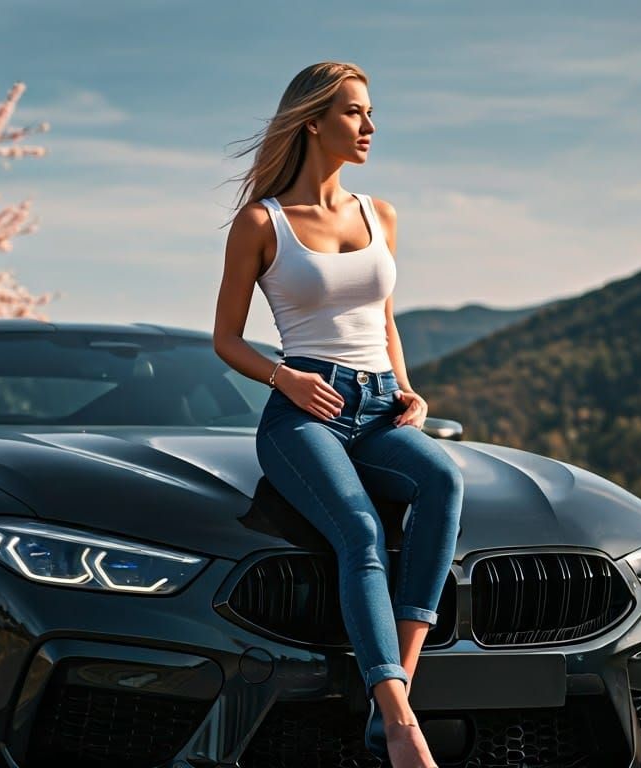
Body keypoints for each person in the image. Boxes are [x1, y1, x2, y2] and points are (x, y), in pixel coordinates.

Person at [212, 61, 464, 768]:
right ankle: (400, 725)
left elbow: (382, 319)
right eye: (356, 113)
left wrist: (408, 388)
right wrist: (283, 378)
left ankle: (397, 693)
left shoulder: (378, 214)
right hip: (304, 412)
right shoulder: (262, 223)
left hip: (381, 405)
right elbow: (226, 338)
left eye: (371, 112)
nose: (370, 127)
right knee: (357, 528)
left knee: (443, 483)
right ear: (314, 120)